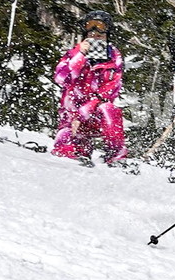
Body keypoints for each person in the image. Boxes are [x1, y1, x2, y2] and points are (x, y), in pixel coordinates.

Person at [51, 11, 127, 165]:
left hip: (94, 116)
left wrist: (82, 114)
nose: (96, 33)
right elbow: (61, 78)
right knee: (67, 153)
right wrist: (79, 55)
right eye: (91, 28)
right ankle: (80, 150)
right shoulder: (73, 53)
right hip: (71, 118)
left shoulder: (114, 58)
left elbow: (110, 91)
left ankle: (116, 156)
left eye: (101, 28)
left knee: (109, 109)